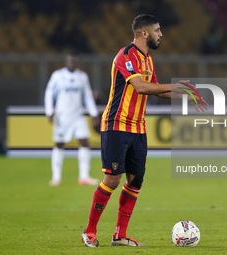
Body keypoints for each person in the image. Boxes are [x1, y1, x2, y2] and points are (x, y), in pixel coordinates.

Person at [81, 14, 208, 247]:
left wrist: (185, 96)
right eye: (158, 30)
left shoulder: (148, 60)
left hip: (138, 127)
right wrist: (177, 86)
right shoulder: (126, 55)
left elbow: (156, 90)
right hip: (116, 124)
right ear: (144, 33)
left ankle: (120, 235)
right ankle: (89, 231)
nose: (161, 34)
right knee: (112, 179)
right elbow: (140, 87)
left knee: (135, 180)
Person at [44, 53, 101, 186]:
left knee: (85, 142)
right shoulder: (57, 76)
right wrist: (49, 112)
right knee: (59, 144)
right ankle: (56, 177)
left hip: (77, 116)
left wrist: (93, 114)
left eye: (73, 61)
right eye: (69, 61)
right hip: (62, 116)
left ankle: (84, 177)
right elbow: (49, 93)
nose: (71, 63)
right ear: (65, 62)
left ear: (76, 62)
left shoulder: (82, 77)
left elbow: (87, 96)